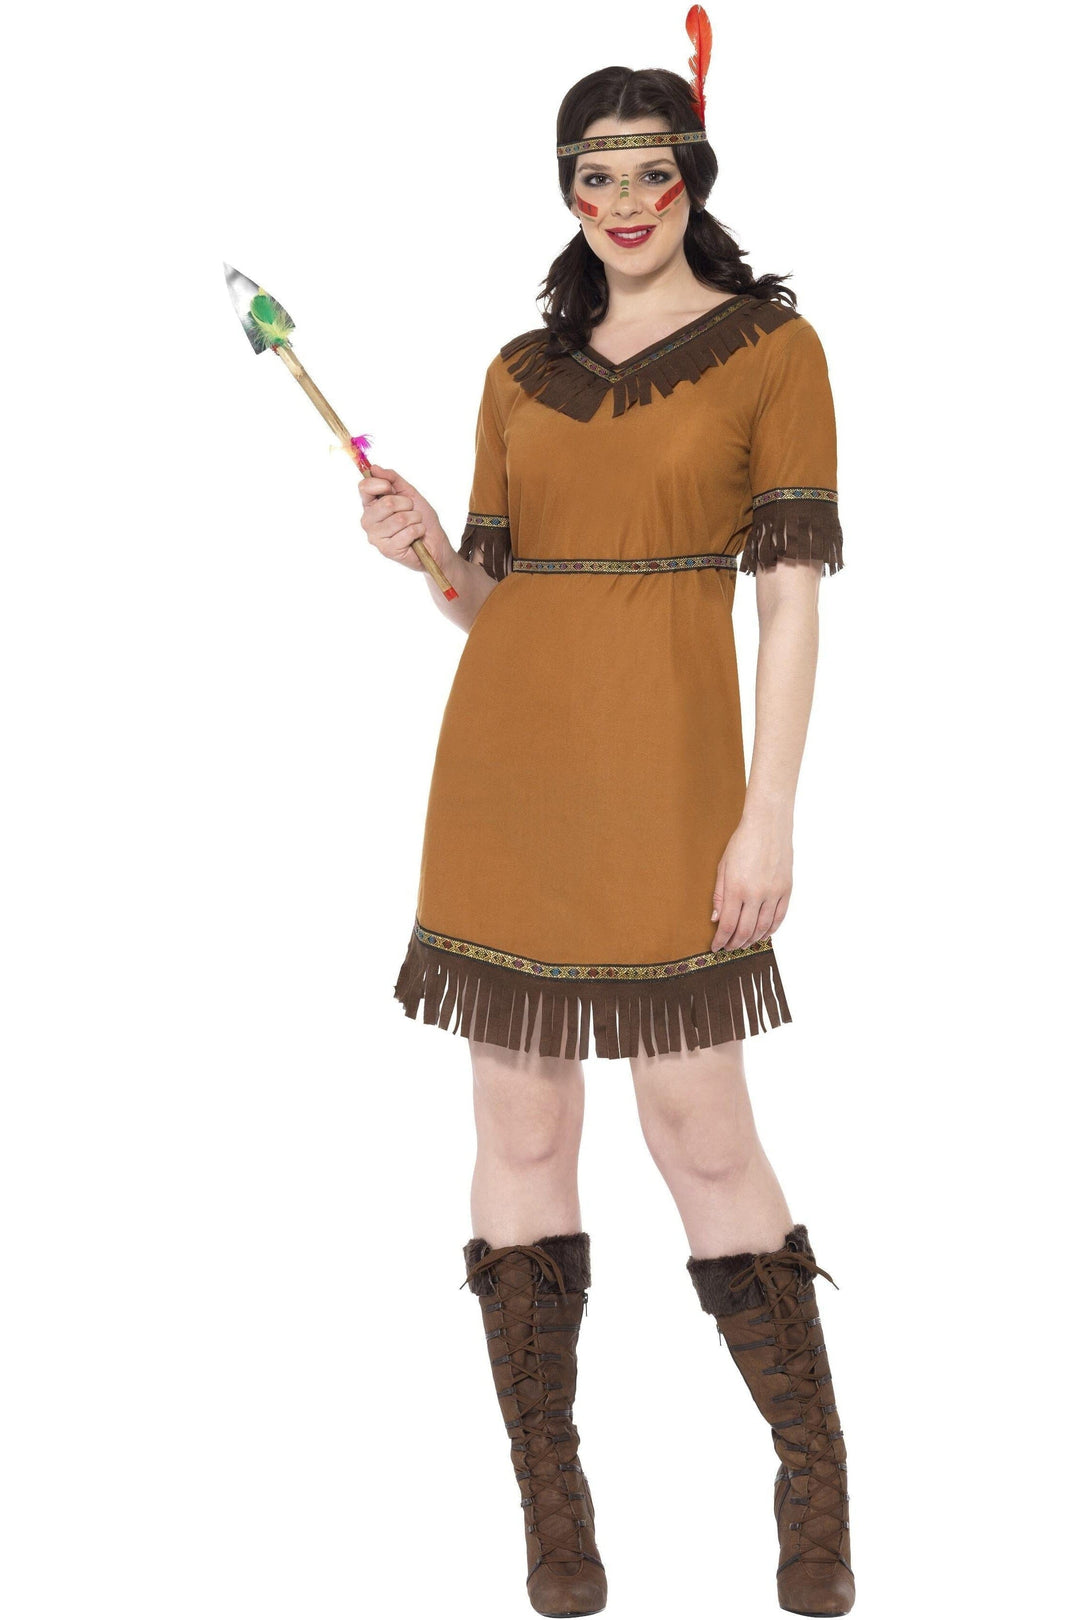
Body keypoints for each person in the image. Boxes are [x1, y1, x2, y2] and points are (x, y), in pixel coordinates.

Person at [359, 19, 854, 1618]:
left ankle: (815, 1488)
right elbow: (490, 604)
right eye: (596, 174)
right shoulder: (518, 373)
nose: (625, 201)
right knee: (520, 1131)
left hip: (674, 781)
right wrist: (429, 553)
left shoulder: (773, 350)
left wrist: (767, 818)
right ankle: (553, 1511)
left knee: (702, 1130)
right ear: (566, 189)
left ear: (692, 178)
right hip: (505, 782)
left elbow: (789, 603)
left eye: (651, 172)